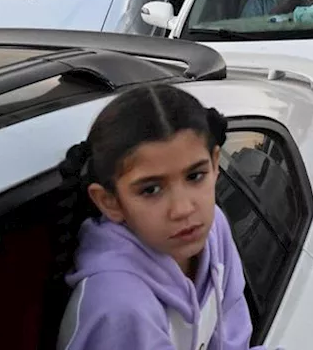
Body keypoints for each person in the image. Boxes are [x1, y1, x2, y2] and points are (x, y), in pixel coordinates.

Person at [55, 84, 266, 350]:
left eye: (194, 176)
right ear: (110, 202)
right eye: (151, 189)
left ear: (214, 165)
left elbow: (232, 340)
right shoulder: (119, 306)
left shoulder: (214, 230)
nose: (182, 209)